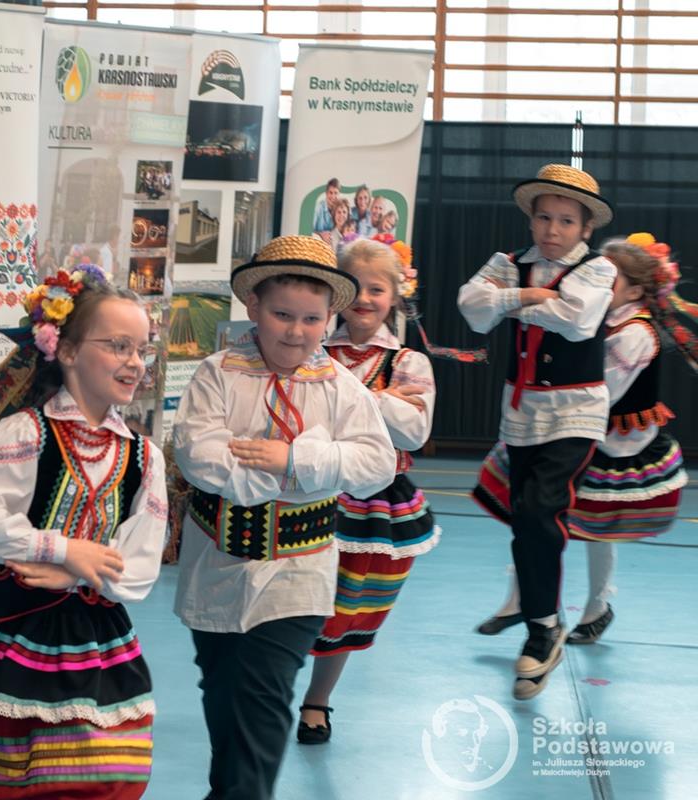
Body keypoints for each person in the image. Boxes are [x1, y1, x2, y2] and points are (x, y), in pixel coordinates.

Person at [0, 266, 168, 799]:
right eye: (118, 346)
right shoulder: (25, 432)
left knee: (99, 771)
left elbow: (140, 564)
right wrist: (63, 548)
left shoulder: (144, 456)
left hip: (90, 637)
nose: (135, 362)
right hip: (1, 625)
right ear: (65, 350)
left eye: (142, 349)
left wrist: (75, 573)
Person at [172, 235, 394, 799]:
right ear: (254, 307)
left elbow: (376, 464)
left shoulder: (340, 387)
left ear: (329, 319)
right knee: (223, 697)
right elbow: (198, 453)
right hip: (217, 566)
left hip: (299, 574)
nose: (296, 331)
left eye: (312, 319)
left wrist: (292, 459)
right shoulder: (217, 373)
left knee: (265, 696)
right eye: (282, 315)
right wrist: (291, 477)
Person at [473, 233, 694, 647]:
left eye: (610, 278)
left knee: (593, 527)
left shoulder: (635, 332)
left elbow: (601, 389)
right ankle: (520, 599)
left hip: (614, 444)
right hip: (576, 428)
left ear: (636, 291)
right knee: (534, 515)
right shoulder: (596, 316)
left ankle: (596, 606)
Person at [457, 163, 617, 701]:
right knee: (524, 519)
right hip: (522, 412)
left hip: (575, 410)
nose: (552, 229)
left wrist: (511, 300)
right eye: (544, 217)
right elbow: (472, 309)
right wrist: (528, 298)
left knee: (538, 509)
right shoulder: (510, 263)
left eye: (566, 221)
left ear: (585, 227)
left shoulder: (598, 269)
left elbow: (577, 320)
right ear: (531, 219)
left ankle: (541, 628)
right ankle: (544, 623)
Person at [297, 237, 440, 745]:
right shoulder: (311, 348)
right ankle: (270, 686)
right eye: (354, 286)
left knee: (345, 608)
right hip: (310, 489)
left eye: (376, 289)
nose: (364, 298)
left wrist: (355, 397)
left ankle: (317, 700)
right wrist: (380, 399)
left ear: (395, 296)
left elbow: (414, 432)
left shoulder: (409, 362)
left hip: (373, 503)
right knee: (293, 597)